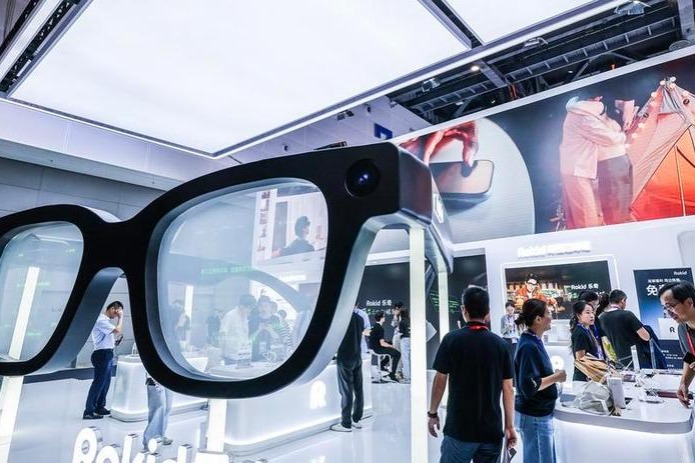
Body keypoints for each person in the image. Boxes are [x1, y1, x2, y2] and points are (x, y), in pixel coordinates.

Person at [428, 287, 516, 463]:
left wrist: (433, 413)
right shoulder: (500, 345)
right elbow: (508, 389)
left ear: (464, 310)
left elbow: (440, 380)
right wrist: (509, 426)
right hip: (491, 431)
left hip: (459, 429)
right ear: (488, 313)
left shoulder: (451, 340)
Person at [559, 95, 627, 229]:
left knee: (588, 212)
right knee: (586, 216)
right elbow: (609, 138)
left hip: (580, 169)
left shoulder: (579, 113)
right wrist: (623, 135)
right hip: (577, 170)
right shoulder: (583, 116)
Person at [514, 298, 566, 463]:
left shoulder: (534, 341)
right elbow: (530, 385)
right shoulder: (528, 346)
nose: (551, 317)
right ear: (538, 319)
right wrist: (556, 377)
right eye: (548, 313)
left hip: (539, 414)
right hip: (534, 415)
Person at [83, 301, 124, 420]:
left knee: (105, 383)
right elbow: (117, 330)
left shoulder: (106, 322)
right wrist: (121, 318)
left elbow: (107, 338)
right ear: (112, 309)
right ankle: (88, 411)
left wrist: (113, 343)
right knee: (98, 383)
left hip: (107, 353)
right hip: (102, 355)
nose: (117, 315)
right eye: (117, 312)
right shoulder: (101, 320)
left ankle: (99, 407)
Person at [658, 281, 695, 406]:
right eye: (665, 308)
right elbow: (690, 357)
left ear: (689, 302)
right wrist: (684, 383)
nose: (668, 312)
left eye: (670, 306)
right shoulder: (682, 328)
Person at [330, 308, 366, 432]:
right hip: (357, 357)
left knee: (346, 391)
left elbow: (335, 338)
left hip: (345, 357)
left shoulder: (340, 319)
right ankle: (356, 419)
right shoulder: (360, 318)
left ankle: (346, 423)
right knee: (358, 390)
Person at [598, 289, 650, 368]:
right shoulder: (627, 314)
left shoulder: (601, 318)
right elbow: (646, 337)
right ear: (623, 300)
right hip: (636, 360)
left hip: (616, 362)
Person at [570, 301, 603, 382]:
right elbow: (581, 360)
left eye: (592, 312)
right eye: (587, 313)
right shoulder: (580, 333)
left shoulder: (587, 330)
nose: (592, 315)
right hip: (584, 378)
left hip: (591, 375)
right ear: (578, 315)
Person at [219, 294, 255, 364]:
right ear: (242, 306)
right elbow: (222, 334)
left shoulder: (245, 317)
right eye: (249, 308)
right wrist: (222, 352)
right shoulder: (230, 316)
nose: (250, 310)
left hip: (244, 355)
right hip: (231, 356)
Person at [142, 375, 173, 448]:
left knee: (167, 408)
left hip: (169, 378)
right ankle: (149, 440)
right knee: (158, 408)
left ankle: (160, 436)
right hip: (155, 377)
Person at [369, 311, 401, 382]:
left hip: (373, 347)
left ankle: (382, 365)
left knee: (391, 350)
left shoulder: (374, 326)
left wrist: (388, 344)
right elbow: (382, 344)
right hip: (378, 349)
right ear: (381, 318)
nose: (384, 318)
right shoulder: (380, 328)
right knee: (397, 354)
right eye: (384, 317)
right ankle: (392, 375)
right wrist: (391, 346)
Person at [398, 308, 411, 383]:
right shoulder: (410, 321)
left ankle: (407, 378)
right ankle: (412, 376)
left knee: (405, 359)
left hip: (404, 340)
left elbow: (401, 333)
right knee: (411, 358)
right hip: (412, 339)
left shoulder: (402, 322)